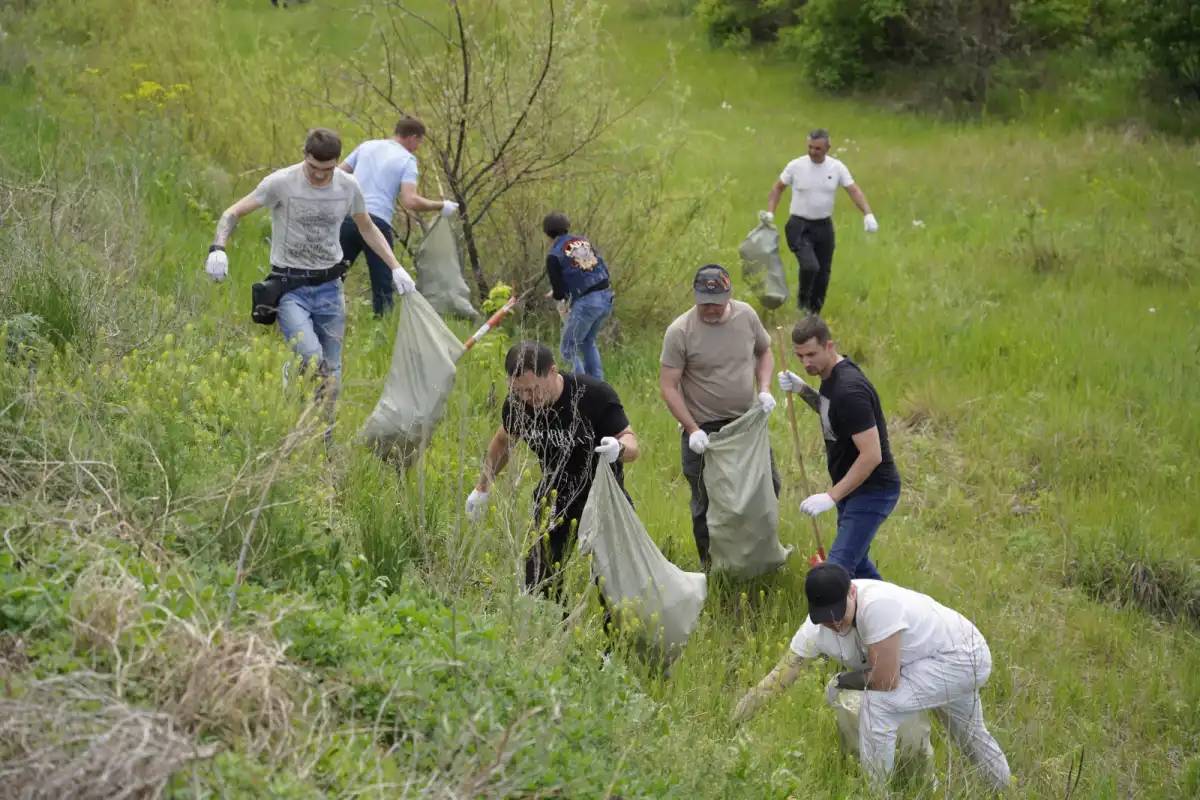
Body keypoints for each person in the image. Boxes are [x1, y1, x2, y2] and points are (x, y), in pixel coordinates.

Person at [732, 563, 1011, 791]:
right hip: (930, 660)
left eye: (838, 614)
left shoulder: (877, 606)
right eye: (825, 618)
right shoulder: (814, 630)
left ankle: (876, 792)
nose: (834, 624)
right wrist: (733, 721)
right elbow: (777, 680)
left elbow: (886, 681)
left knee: (879, 708)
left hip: (960, 656)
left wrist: (841, 681)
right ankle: (1006, 789)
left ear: (852, 592)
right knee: (970, 733)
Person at [203, 127, 416, 402]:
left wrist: (396, 267)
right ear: (304, 155)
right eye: (313, 167)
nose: (318, 175)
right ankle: (294, 372)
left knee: (332, 372)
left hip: (330, 289)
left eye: (326, 170)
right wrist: (218, 248)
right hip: (290, 287)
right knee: (313, 357)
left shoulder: (348, 186)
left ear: (337, 162)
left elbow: (367, 227)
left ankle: (322, 427)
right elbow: (232, 212)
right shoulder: (281, 182)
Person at [465, 341, 639, 597]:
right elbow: (503, 441)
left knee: (615, 586)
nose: (528, 398)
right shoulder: (517, 405)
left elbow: (632, 443)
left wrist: (619, 448)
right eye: (519, 391)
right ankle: (551, 618)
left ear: (553, 371)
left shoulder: (592, 395)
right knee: (538, 579)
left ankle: (614, 622)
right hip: (555, 496)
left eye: (534, 389)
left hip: (603, 496)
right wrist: (482, 487)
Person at [659, 264, 778, 570]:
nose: (710, 309)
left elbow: (764, 351)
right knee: (706, 501)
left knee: (767, 488)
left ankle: (754, 559)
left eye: (716, 302)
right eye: (704, 302)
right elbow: (669, 386)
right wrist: (692, 429)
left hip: (746, 424)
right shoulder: (680, 331)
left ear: (729, 295)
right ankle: (712, 568)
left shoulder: (746, 316)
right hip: (704, 431)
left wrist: (764, 389)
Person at [777, 314, 900, 580]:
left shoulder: (850, 390)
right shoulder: (831, 375)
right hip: (852, 488)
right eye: (800, 356)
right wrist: (803, 390)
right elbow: (831, 412)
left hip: (872, 490)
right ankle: (885, 604)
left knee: (837, 570)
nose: (806, 363)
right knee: (859, 566)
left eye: (811, 354)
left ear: (829, 346)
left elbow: (872, 455)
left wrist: (831, 496)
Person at [338, 116, 459, 316]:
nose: (418, 147)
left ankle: (316, 315)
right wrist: (441, 205)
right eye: (419, 142)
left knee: (332, 274)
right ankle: (383, 326)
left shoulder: (367, 146)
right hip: (377, 224)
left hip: (349, 218)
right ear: (412, 137)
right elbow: (410, 200)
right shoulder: (407, 160)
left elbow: (337, 174)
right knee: (383, 283)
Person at [762, 128, 878, 313]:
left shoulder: (837, 168)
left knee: (823, 272)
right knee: (810, 266)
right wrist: (770, 213)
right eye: (810, 147)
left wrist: (868, 214)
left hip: (823, 226)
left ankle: (814, 313)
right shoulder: (796, 166)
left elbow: (853, 190)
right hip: (799, 225)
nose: (813, 152)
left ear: (827, 148)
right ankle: (802, 303)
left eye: (817, 148)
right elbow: (778, 188)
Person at [543, 212, 615, 380]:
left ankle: (580, 388)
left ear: (547, 233)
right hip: (607, 296)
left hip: (587, 303)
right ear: (567, 226)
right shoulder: (584, 242)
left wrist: (558, 293)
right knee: (587, 342)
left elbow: (559, 293)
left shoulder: (553, 255)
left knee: (568, 349)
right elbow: (593, 268)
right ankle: (597, 386)